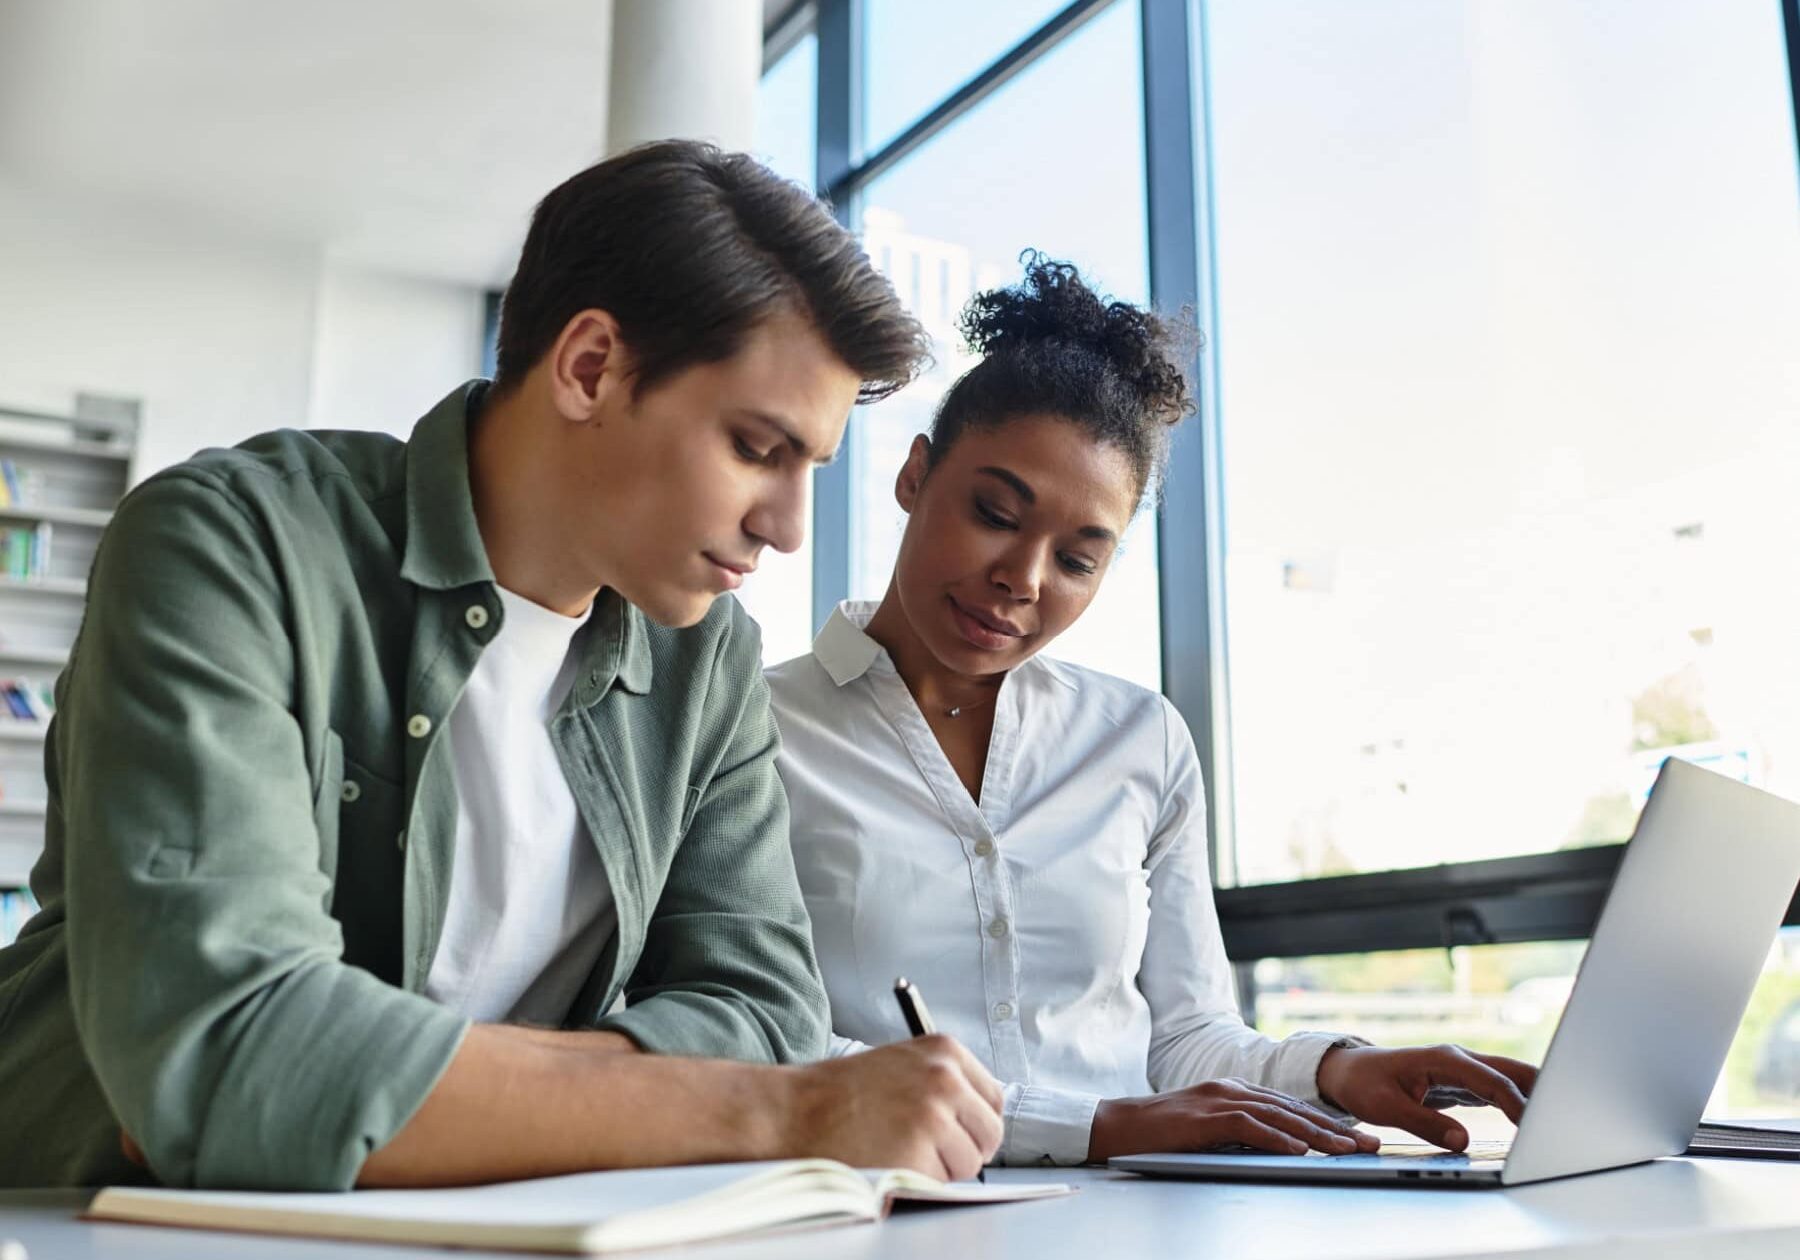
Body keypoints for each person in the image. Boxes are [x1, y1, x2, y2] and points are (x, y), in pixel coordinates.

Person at [0, 141, 1006, 1190]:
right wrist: (779, 1111)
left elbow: (763, 1007)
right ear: (590, 368)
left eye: (812, 468)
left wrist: (375, 1084)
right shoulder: (230, 544)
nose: (789, 527)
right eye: (758, 448)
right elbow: (228, 1054)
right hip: (107, 1219)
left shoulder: (707, 658)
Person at [766, 254, 1537, 1166]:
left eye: (1080, 559)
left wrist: (1336, 1070)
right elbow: (770, 1042)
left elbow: (1184, 1038)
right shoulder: (758, 728)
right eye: (993, 511)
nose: (1023, 579)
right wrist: (1089, 1127)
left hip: (1135, 1216)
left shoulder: (1139, 740)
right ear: (915, 476)